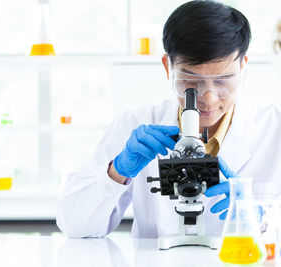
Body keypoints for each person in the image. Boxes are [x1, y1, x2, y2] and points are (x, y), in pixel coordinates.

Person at [56, 0, 281, 238]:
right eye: (191, 80)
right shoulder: (135, 124)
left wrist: (261, 217)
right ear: (168, 67)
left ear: (243, 68)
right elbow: (74, 225)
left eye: (222, 79)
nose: (208, 96)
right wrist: (116, 171)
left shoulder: (274, 129)